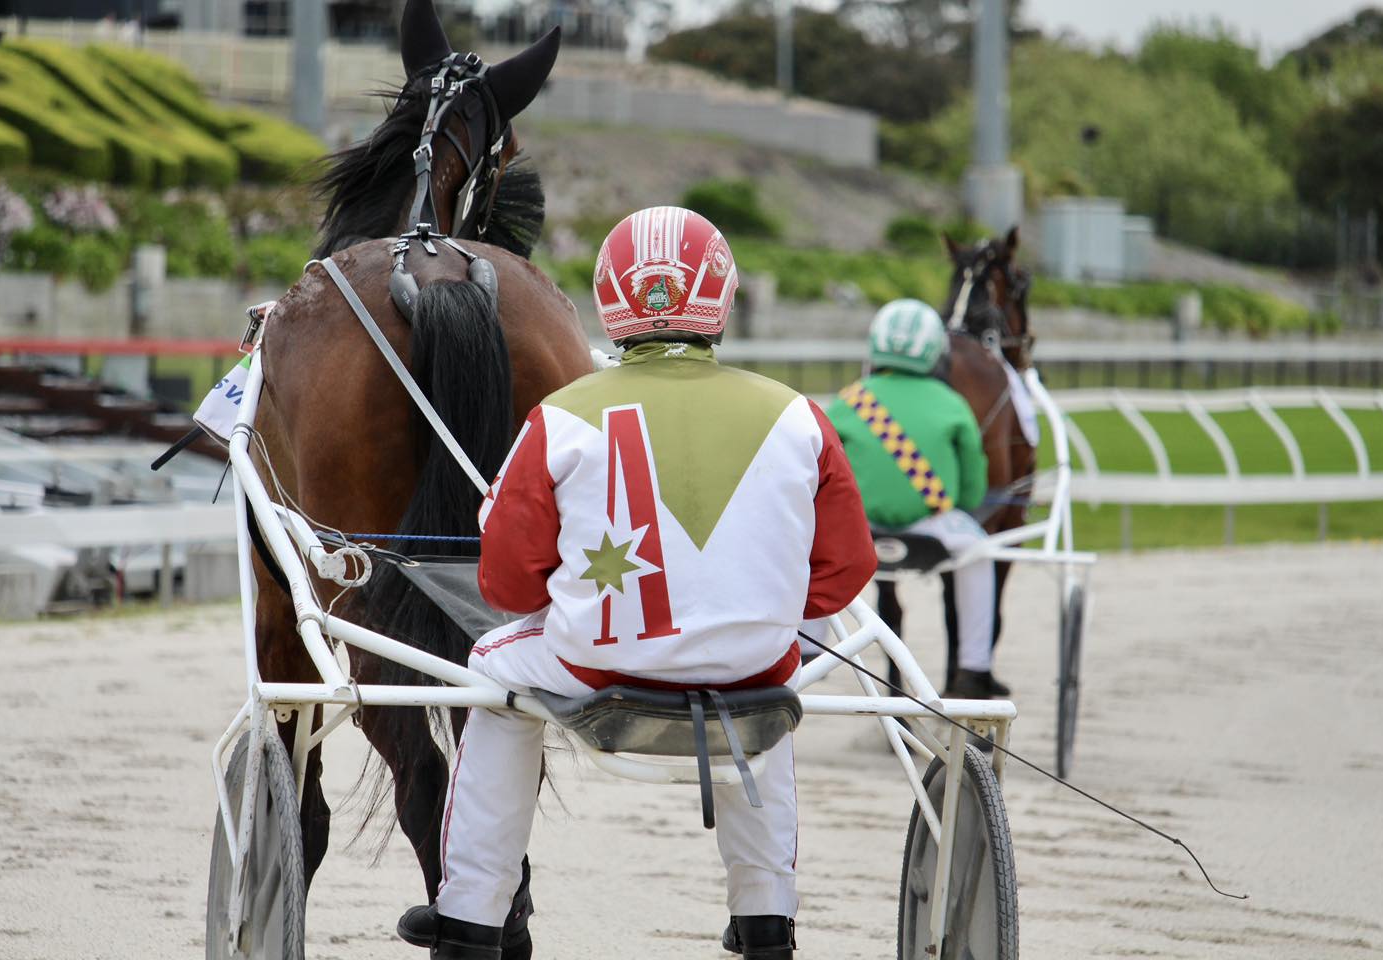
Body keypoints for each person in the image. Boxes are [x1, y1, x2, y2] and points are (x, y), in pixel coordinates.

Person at [427, 206, 877, 960]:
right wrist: (744, 606)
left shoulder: (559, 416)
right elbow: (845, 572)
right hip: (755, 671)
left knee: (492, 680)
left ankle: (471, 915)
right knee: (758, 693)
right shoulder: (800, 416)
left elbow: (505, 581)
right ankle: (768, 916)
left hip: (598, 668)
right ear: (721, 296)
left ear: (610, 298)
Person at [825, 298, 1005, 700]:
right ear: (934, 351)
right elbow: (972, 492)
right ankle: (975, 667)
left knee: (808, 548)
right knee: (978, 551)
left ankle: (806, 647)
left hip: (859, 532)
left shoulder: (848, 400)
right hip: (931, 532)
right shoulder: (953, 405)